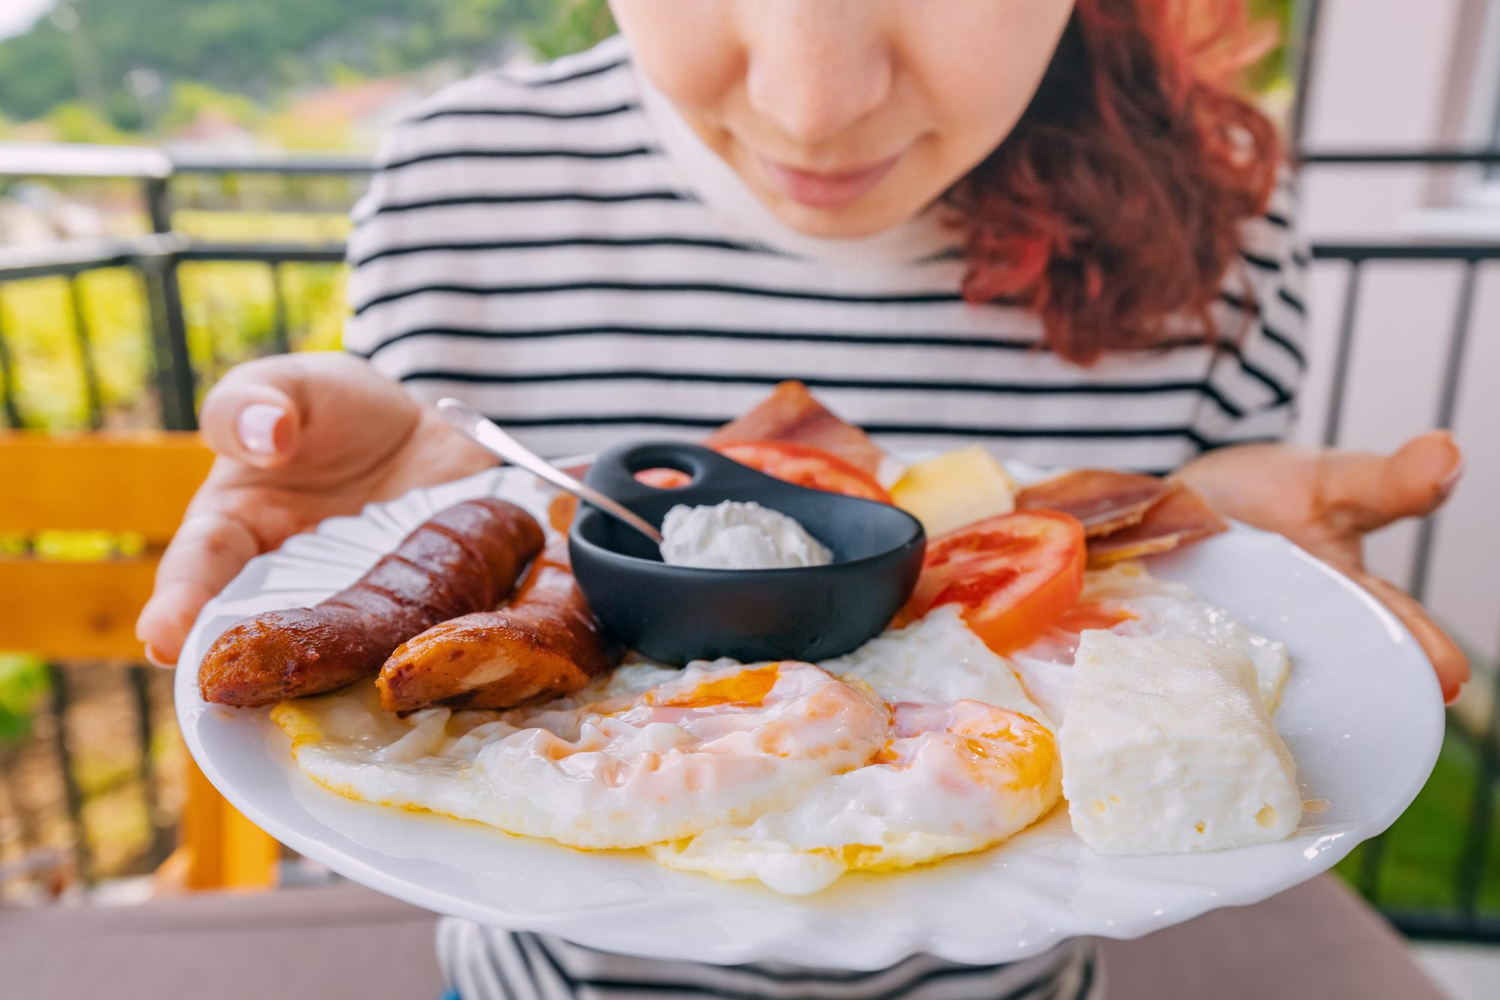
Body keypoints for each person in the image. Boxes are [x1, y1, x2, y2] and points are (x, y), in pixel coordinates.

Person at [136, 2, 1469, 997]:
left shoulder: (1222, 235)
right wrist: (393, 517)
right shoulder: (457, 193)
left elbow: (1169, 601)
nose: (815, 99)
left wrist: (1215, 565)